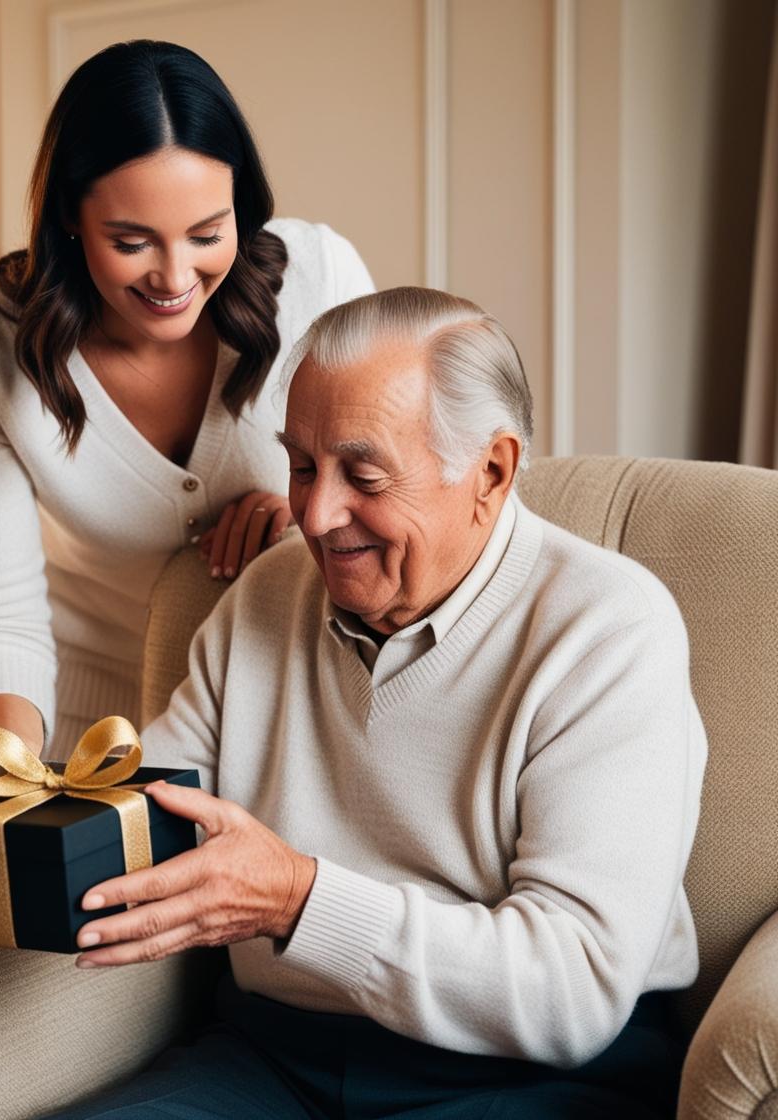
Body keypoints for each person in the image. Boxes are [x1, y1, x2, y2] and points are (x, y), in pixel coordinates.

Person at [40, 287, 707, 1118]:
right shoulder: (268, 593)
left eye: (364, 473)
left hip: (528, 1077)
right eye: (302, 465)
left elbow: (572, 989)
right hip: (274, 1056)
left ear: (490, 472)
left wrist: (298, 898)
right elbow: (142, 806)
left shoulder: (607, 628)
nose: (316, 517)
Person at [0, 39, 374, 931]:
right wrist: (0, 761)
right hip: (94, 734)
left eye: (207, 233)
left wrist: (307, 510)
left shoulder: (317, 280)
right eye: (131, 241)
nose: (174, 276)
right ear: (69, 217)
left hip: (285, 708)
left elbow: (397, 489)